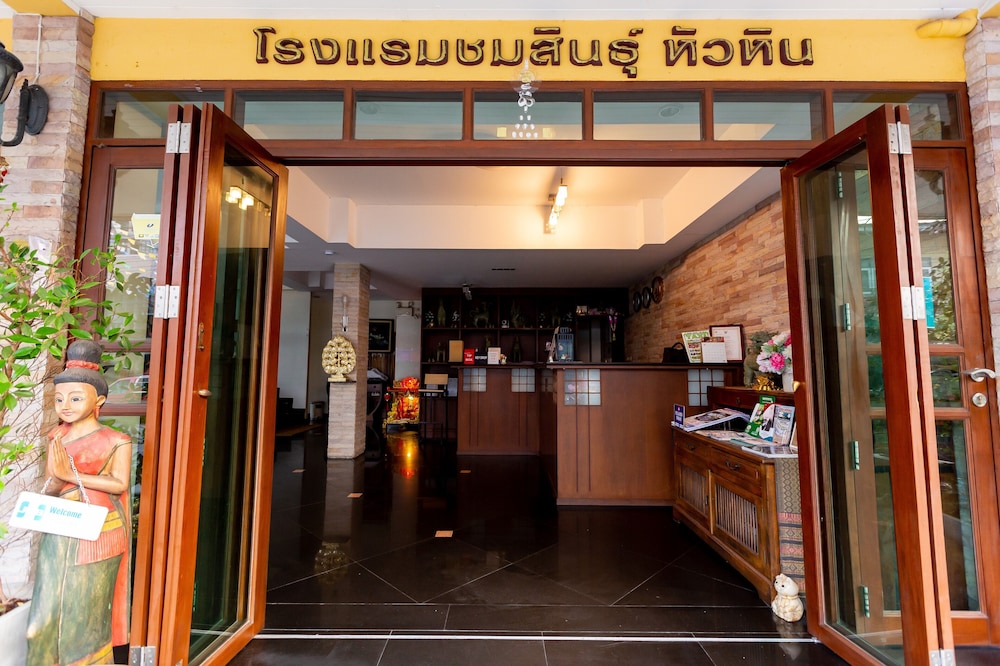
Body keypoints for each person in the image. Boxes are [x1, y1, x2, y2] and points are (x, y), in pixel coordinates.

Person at [25, 340, 132, 665]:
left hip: (98, 532)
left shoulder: (117, 440)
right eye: (59, 399)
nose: (65, 406)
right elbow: (51, 485)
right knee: (44, 614)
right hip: (59, 528)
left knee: (84, 613)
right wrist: (58, 480)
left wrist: (71, 475)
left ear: (99, 400)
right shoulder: (57, 437)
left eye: (75, 398)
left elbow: (119, 483)